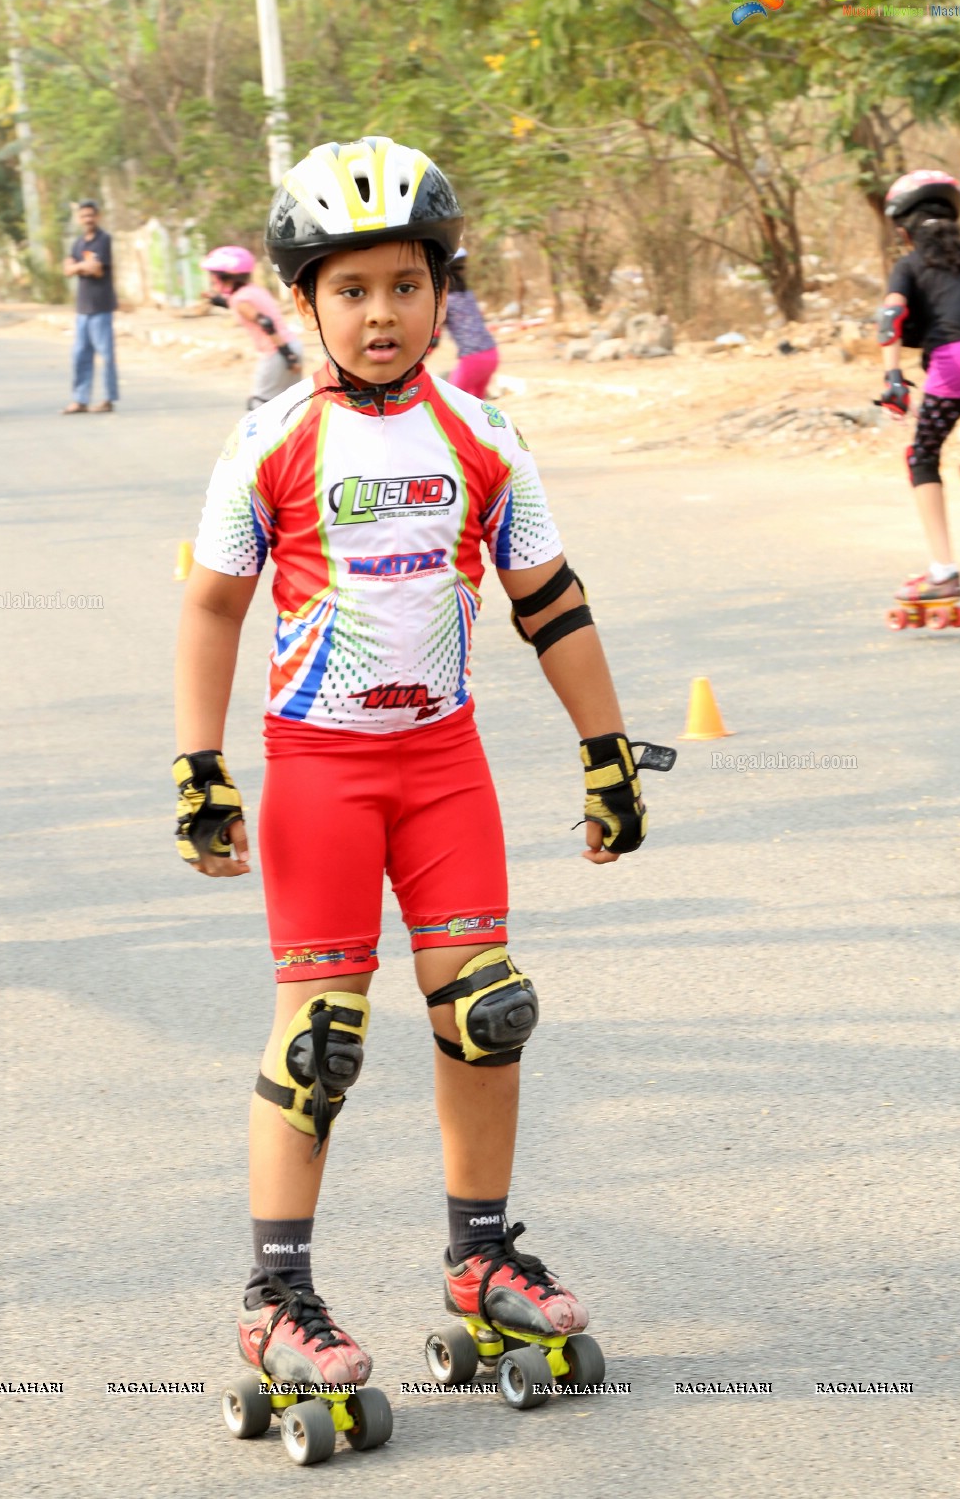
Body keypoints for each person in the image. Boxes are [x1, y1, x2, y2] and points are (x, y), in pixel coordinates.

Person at [174, 136, 664, 1396]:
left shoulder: (484, 435)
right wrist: (200, 767)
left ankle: (481, 1260)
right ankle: (277, 1293)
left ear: (444, 287)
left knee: (485, 1016)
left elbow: (547, 598)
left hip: (445, 767)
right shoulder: (272, 438)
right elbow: (214, 608)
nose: (381, 313)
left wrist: (607, 754)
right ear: (304, 303)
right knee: (319, 1040)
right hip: (321, 772)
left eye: (405, 283)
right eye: (350, 289)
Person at [877, 169, 960, 603]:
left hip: (954, 365)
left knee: (923, 455)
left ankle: (944, 573)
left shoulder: (908, 264)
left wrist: (894, 379)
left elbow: (890, 318)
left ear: (904, 230)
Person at [200, 245, 303, 409]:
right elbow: (239, 305)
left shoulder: (240, 299)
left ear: (226, 276)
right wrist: (216, 300)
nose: (212, 279)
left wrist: (287, 356)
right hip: (291, 345)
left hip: (277, 351)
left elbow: (265, 322)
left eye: (214, 275)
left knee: (260, 404)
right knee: (291, 404)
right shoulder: (252, 291)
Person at [62, 200, 118, 414]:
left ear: (98, 216)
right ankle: (80, 399)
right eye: (84, 216)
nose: (88, 219)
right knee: (80, 354)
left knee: (106, 354)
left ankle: (107, 398)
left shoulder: (103, 240)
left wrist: (80, 267)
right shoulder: (78, 243)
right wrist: (81, 266)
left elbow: (97, 270)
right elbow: (67, 269)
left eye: (91, 215)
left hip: (101, 305)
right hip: (82, 307)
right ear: (79, 219)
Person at [443, 245, 499, 398]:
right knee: (475, 406)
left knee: (448, 401)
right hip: (492, 354)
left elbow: (433, 333)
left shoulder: (445, 301)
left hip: (472, 359)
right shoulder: (467, 294)